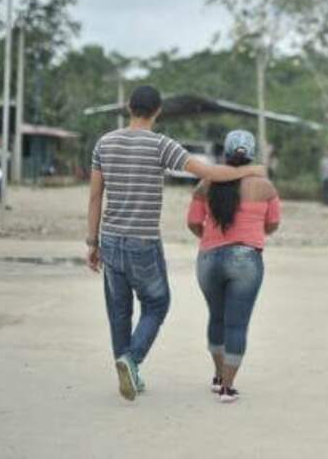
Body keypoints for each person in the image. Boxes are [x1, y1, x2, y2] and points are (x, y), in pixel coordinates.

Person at [87, 85, 266, 402]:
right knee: (157, 303)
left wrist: (92, 241)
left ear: (129, 107)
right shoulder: (161, 145)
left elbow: (95, 195)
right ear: (158, 111)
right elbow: (209, 172)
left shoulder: (105, 143)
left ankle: (128, 373)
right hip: (143, 241)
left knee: (118, 311)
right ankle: (132, 361)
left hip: (110, 239)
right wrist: (251, 169)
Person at [187, 130, 280, 403]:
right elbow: (273, 224)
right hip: (247, 259)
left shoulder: (205, 184)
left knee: (216, 318)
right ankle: (228, 388)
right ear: (251, 155)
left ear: (225, 153)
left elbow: (193, 222)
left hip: (209, 258)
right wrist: (251, 232)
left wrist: (210, 239)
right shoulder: (265, 187)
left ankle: (217, 377)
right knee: (236, 326)